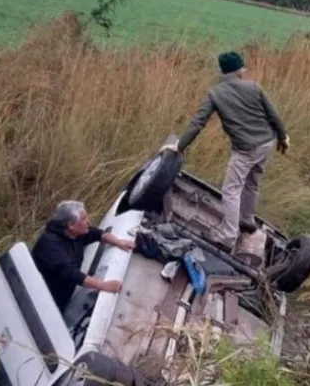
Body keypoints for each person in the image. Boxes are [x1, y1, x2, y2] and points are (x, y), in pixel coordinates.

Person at [162, 51, 290, 252]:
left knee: (231, 190)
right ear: (239, 70)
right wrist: (283, 138)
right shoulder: (254, 87)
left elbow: (197, 123)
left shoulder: (215, 93)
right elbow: (275, 116)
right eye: (243, 67)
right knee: (253, 184)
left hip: (245, 149)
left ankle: (228, 236)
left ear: (223, 71)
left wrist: (179, 146)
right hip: (266, 143)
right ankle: (246, 220)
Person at [32, 200, 135, 311]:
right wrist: (103, 285)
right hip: (43, 304)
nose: (88, 221)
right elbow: (71, 273)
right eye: (84, 218)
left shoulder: (73, 234)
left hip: (62, 298)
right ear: (71, 224)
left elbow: (97, 234)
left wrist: (118, 241)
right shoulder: (50, 244)